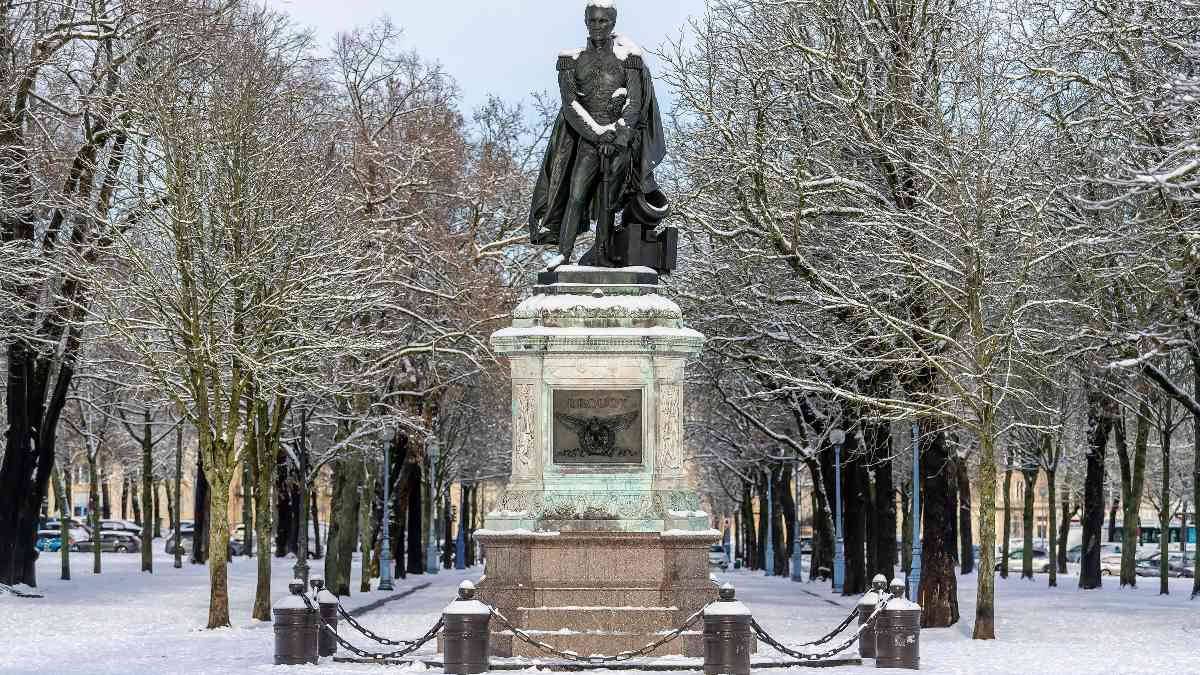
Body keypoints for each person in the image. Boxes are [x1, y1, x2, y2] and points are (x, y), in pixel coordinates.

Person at [527, 1, 669, 269]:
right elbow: (570, 105)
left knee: (608, 202)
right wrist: (597, 134)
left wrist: (616, 138)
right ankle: (564, 253)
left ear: (612, 23)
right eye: (592, 20)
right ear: (586, 22)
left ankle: (602, 252)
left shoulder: (630, 60)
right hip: (588, 142)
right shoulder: (571, 61)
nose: (597, 26)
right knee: (576, 195)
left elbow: (635, 105)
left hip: (619, 144)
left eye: (603, 21)